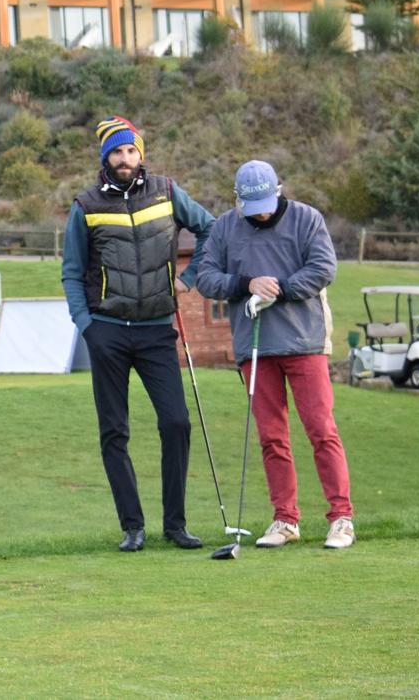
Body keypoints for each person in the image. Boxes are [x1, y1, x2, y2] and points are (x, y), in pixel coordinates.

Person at [61, 116, 215, 552]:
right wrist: (86, 326)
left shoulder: (167, 192)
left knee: (177, 423)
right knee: (114, 431)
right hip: (106, 331)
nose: (125, 158)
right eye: (117, 152)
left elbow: (211, 230)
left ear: (140, 154)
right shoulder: (86, 206)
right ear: (105, 158)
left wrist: (190, 280)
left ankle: (176, 524)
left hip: (155, 331)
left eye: (131, 151)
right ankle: (133, 527)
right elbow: (71, 273)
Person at [195, 160, 354, 550]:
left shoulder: (306, 219)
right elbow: (206, 277)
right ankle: (285, 519)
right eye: (252, 206)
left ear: (278, 190)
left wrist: (279, 289)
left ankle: (341, 519)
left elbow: (322, 268)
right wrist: (246, 283)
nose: (261, 213)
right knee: (272, 438)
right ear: (238, 200)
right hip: (255, 346)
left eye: (266, 203)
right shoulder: (226, 227)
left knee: (321, 430)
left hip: (304, 342)